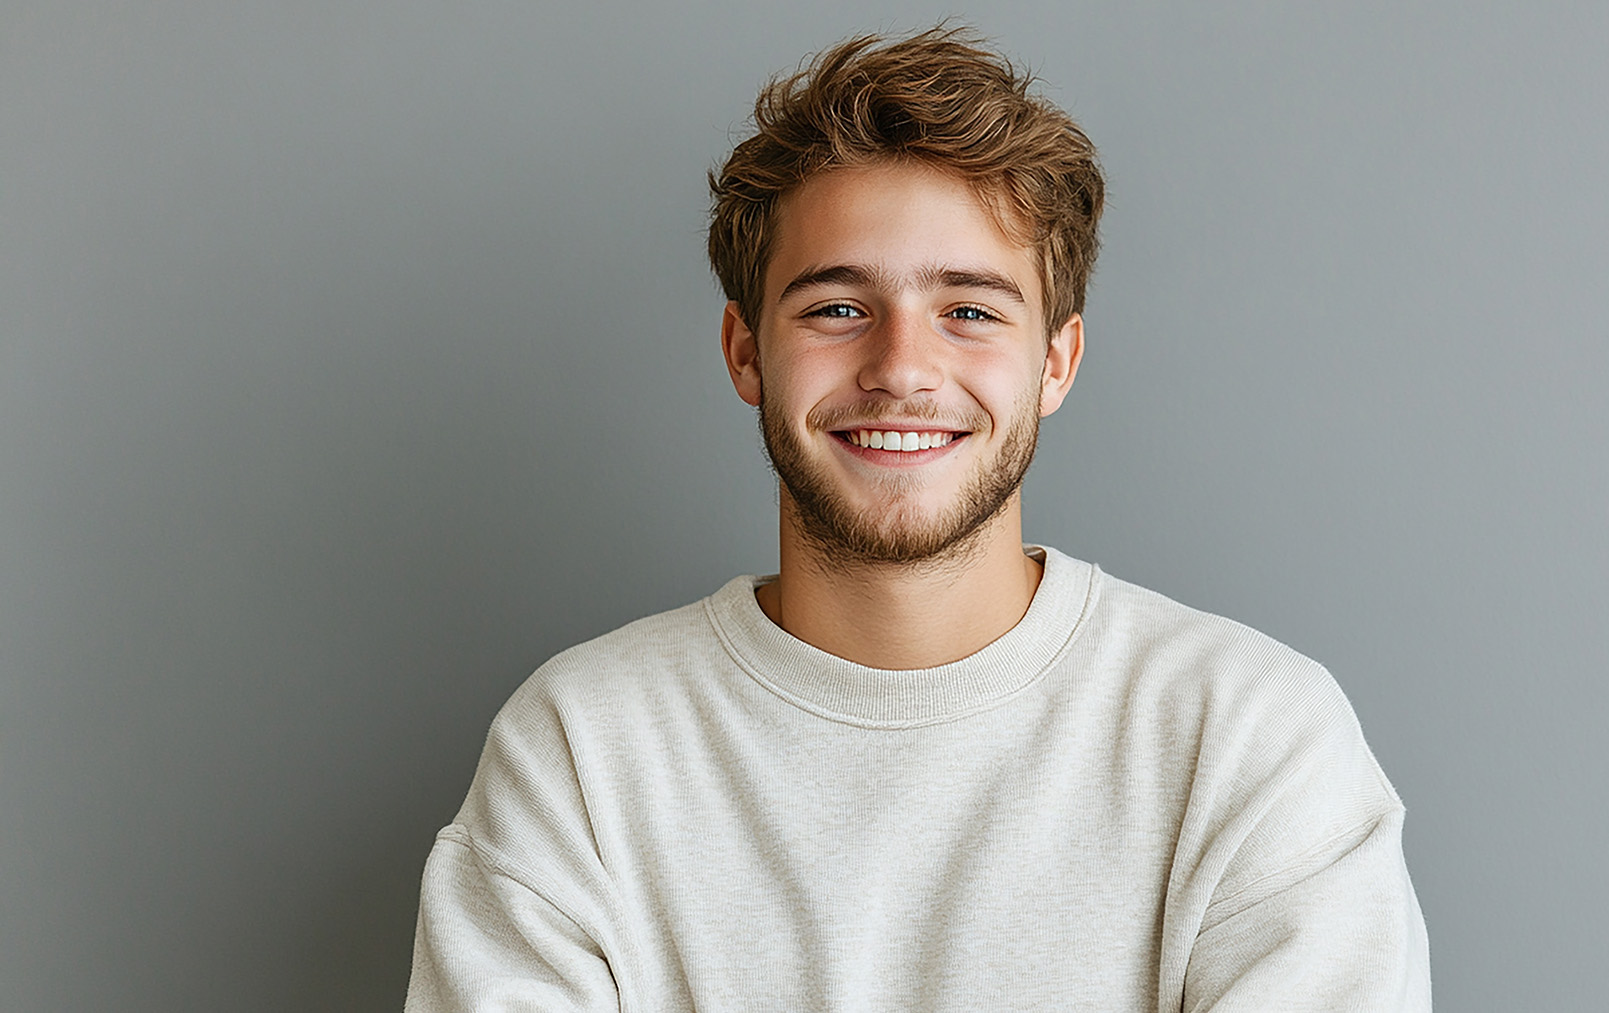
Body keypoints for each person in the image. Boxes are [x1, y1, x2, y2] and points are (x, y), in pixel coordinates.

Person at [405, 26, 1430, 1012]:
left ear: (1057, 360)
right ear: (746, 352)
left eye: (971, 310)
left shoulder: (1251, 739)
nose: (900, 365)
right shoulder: (580, 750)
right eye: (836, 306)